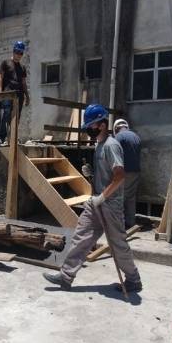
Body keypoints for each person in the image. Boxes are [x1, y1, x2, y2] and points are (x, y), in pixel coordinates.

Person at [43, 104, 142, 293]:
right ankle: (66, 276)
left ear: (102, 125)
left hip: (110, 204)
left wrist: (103, 197)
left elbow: (120, 176)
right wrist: (93, 173)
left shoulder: (112, 146)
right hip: (96, 202)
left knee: (117, 244)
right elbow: (108, 174)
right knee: (81, 237)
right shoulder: (100, 144)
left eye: (91, 125)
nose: (89, 129)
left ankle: (133, 280)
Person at [0, 41, 30, 146]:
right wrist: (0, 92)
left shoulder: (22, 67)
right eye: (17, 52)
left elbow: (23, 82)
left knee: (16, 118)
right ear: (13, 51)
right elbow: (0, 77)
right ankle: (1, 137)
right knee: (6, 114)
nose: (18, 55)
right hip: (7, 93)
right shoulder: (5, 63)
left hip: (19, 96)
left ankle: (13, 138)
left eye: (21, 53)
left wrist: (27, 96)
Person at [113, 118, 141, 228]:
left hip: (125, 172)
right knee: (130, 197)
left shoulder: (119, 137)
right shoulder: (136, 136)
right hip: (136, 171)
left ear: (116, 128)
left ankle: (118, 224)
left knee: (119, 197)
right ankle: (130, 222)